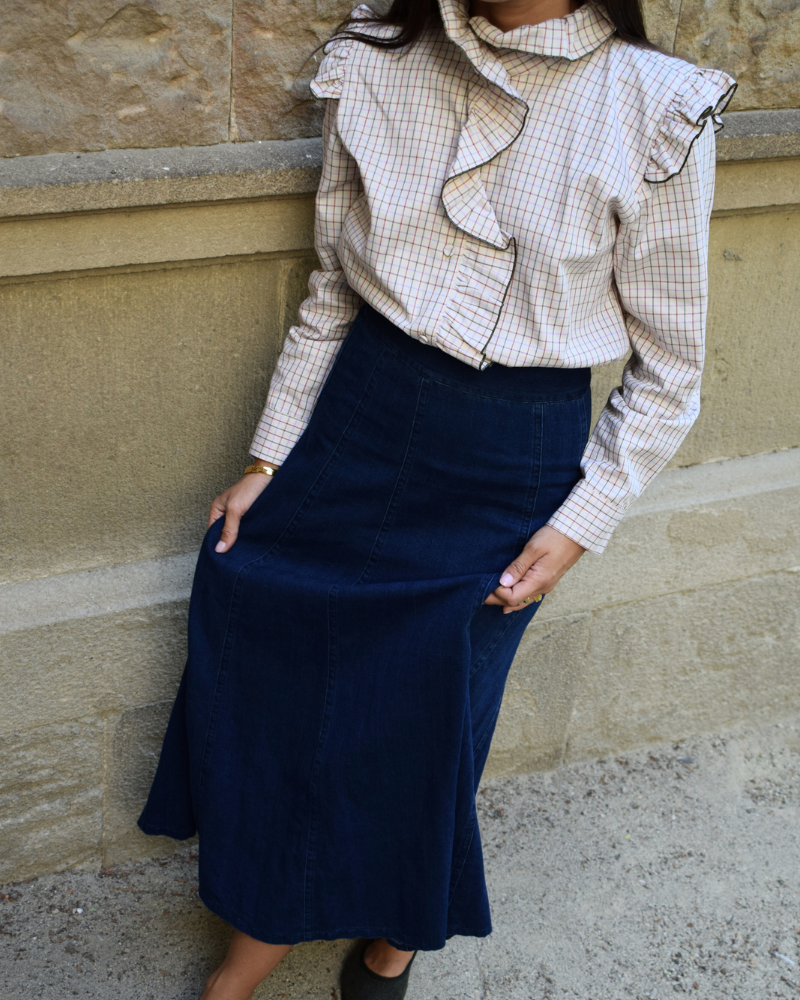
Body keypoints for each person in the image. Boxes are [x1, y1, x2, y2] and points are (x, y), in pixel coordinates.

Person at [137, 0, 736, 997]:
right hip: (359, 416)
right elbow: (334, 286)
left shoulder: (657, 106)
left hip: (512, 456)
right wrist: (268, 459)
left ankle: (396, 933)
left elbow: (671, 369)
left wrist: (578, 524)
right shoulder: (376, 57)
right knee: (274, 649)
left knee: (435, 710)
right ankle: (264, 921)